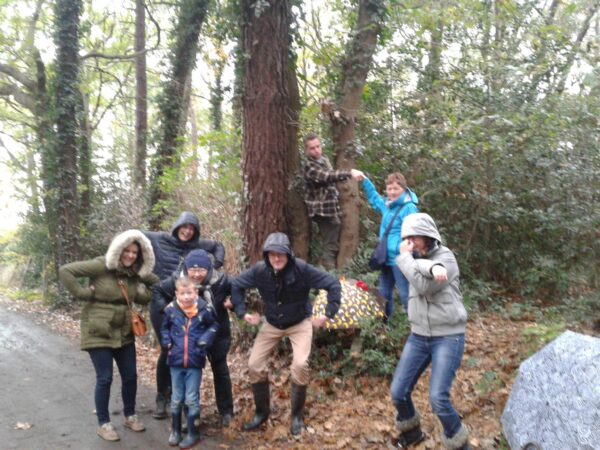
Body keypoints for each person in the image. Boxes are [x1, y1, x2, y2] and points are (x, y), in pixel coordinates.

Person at [231, 232, 342, 435]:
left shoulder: (302, 269)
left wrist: (327, 314)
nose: (276, 258)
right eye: (272, 254)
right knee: (254, 364)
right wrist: (242, 312)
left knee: (299, 365)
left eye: (280, 254)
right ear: (266, 255)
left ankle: (297, 417)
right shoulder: (259, 271)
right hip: (272, 323)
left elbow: (332, 284)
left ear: (288, 254)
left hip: (300, 323)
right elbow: (237, 285)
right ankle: (262, 413)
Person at [58, 229, 160, 442]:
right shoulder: (100, 265)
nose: (130, 255)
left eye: (135, 252)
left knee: (130, 376)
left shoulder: (134, 273)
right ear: (118, 249)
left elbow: (155, 283)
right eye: (127, 250)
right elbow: (65, 271)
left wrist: (144, 292)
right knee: (104, 378)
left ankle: (130, 415)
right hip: (98, 329)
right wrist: (83, 293)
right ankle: (103, 423)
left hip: (124, 330)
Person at [390, 213, 470, 450]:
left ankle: (460, 445)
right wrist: (418, 262)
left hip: (448, 336)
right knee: (398, 392)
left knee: (438, 399)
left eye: (414, 238)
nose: (410, 243)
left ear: (427, 236)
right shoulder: (414, 261)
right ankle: (412, 434)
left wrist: (408, 259)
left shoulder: (446, 258)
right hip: (419, 335)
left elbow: (424, 286)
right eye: (407, 239)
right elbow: (418, 270)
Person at [145, 211, 226, 419]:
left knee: (185, 349)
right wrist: (141, 273)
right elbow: (134, 238)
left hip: (188, 303)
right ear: (177, 226)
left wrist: (215, 264)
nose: (187, 231)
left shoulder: (198, 245)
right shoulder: (159, 239)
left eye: (192, 228)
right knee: (168, 349)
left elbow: (218, 246)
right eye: (184, 226)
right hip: (164, 300)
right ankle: (162, 397)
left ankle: (181, 399)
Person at [155, 249, 235, 427]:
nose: (197, 274)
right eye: (193, 269)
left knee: (220, 370)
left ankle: (226, 412)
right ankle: (191, 414)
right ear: (186, 268)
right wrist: (166, 308)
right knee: (189, 373)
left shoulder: (221, 281)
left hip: (216, 332)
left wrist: (235, 303)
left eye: (201, 270)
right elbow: (157, 291)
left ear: (209, 269)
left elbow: (239, 291)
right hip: (187, 336)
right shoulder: (178, 281)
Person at [160, 276, 219, 449]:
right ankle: (176, 431)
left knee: (191, 398)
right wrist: (166, 341)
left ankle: (193, 432)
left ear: (196, 293)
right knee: (176, 397)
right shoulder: (171, 310)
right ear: (177, 293)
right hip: (176, 361)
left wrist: (205, 340)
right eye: (182, 293)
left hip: (195, 360)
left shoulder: (204, 309)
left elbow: (214, 326)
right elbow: (164, 328)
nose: (186, 297)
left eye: (189, 293)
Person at [358, 172, 419, 319]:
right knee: (384, 293)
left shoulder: (409, 207)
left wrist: (403, 250)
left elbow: (414, 232)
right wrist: (365, 180)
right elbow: (375, 199)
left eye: (396, 189)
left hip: (400, 258)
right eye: (389, 189)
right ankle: (385, 325)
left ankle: (418, 325)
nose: (392, 192)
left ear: (403, 189)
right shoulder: (388, 205)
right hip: (386, 258)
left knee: (405, 295)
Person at [303, 133, 364, 269]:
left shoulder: (324, 160)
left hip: (331, 209)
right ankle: (328, 272)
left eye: (318, 146)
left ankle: (327, 269)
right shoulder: (310, 166)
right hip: (322, 211)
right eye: (312, 148)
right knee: (330, 244)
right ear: (307, 150)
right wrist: (349, 173)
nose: (317, 150)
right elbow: (327, 176)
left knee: (333, 239)